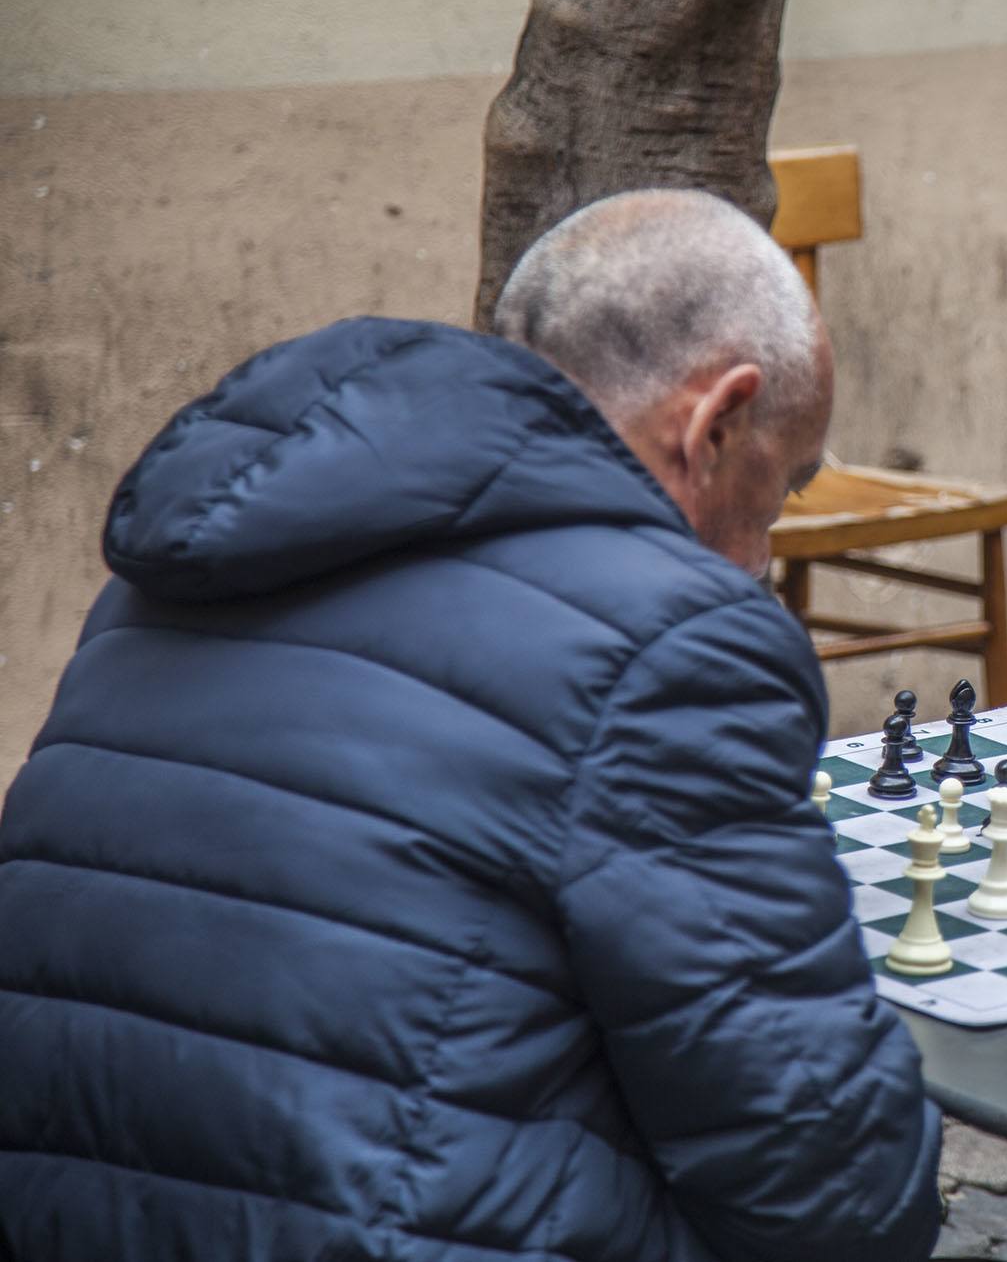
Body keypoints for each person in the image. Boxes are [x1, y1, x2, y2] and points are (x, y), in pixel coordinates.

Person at [0, 190, 943, 1261]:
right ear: (715, 423)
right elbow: (823, 1173)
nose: (759, 560)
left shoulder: (178, 562)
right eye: (777, 497)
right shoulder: (668, 641)